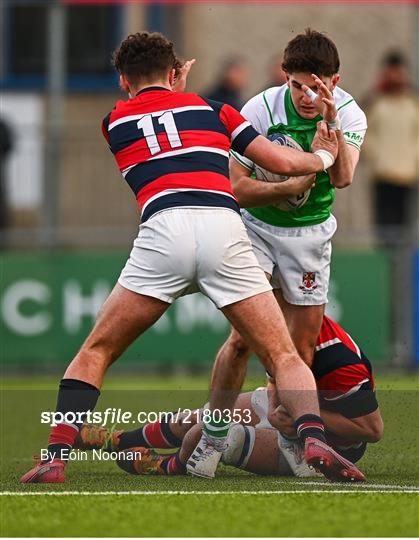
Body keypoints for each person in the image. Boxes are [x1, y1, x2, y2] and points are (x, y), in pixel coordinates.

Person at [20, 31, 363, 484]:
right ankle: (313, 438)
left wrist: (169, 87)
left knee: (96, 350)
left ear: (124, 80)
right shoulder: (214, 110)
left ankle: (55, 458)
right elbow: (280, 162)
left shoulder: (113, 122)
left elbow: (160, 121)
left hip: (164, 231)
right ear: (174, 71)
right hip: (224, 227)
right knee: (282, 353)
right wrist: (321, 156)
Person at [204, 30, 368, 446]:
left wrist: (329, 124)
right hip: (255, 228)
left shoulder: (349, 113)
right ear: (285, 76)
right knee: (242, 340)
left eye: (317, 87)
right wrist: (285, 186)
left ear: (335, 80)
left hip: (309, 236)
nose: (306, 96)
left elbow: (344, 178)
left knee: (299, 352)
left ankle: (288, 440)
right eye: (297, 85)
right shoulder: (259, 107)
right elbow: (236, 187)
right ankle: (212, 438)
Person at [75, 316, 383, 478]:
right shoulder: (277, 326)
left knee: (219, 438)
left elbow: (371, 430)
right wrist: (278, 406)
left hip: (327, 444)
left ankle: (169, 467)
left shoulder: (342, 364)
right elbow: (278, 374)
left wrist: (305, 417)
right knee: (208, 417)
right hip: (288, 413)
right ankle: (117, 441)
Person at [363, 50, 419, 243]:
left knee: (407, 231)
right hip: (383, 175)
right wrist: (374, 157)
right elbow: (364, 132)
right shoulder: (376, 102)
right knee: (384, 230)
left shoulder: (413, 103)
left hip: (409, 177)